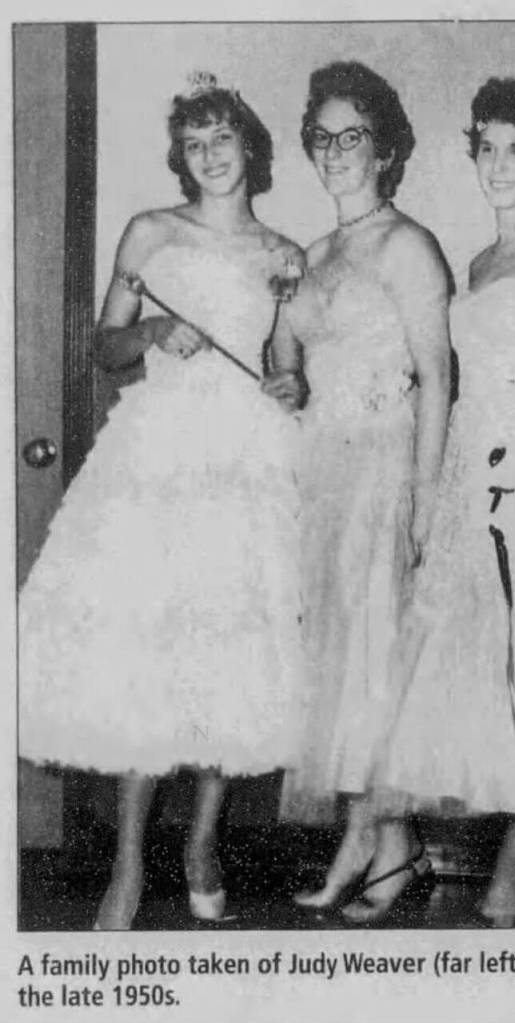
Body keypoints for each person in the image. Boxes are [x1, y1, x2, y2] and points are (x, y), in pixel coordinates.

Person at [18, 72, 307, 930]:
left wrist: (290, 382)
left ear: (250, 147)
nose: (211, 156)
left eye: (224, 140)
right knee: (148, 656)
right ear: (181, 157)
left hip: (246, 461)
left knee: (228, 657)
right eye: (195, 144)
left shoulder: (284, 251)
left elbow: (285, 362)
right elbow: (105, 347)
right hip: (158, 458)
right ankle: (129, 863)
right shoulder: (150, 232)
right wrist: (147, 332)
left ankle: (203, 844)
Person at [340, 77, 515, 927]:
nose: (500, 165)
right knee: (480, 668)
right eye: (487, 148)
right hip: (474, 475)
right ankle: (502, 838)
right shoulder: (481, 263)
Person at [270, 62, 452, 914]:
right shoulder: (310, 254)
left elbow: (439, 380)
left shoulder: (408, 244)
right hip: (322, 470)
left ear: (386, 151)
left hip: (385, 467)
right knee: (335, 664)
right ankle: (369, 839)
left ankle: (393, 844)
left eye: (354, 137)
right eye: (323, 137)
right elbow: (289, 361)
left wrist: (424, 496)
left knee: (378, 659)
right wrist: (284, 377)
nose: (336, 152)